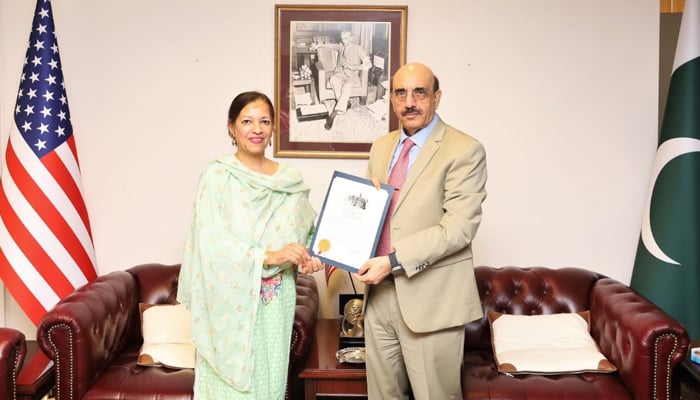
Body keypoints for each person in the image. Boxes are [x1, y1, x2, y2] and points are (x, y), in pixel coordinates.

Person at [177, 91, 324, 399]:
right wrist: (270, 255)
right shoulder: (217, 176)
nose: (257, 129)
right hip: (228, 302)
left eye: (264, 121)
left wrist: (308, 256)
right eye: (247, 121)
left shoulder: (289, 178)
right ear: (231, 127)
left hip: (276, 300)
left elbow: (306, 235)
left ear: (273, 129)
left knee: (268, 386)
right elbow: (212, 244)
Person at [356, 63, 488, 399]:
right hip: (379, 296)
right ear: (391, 99)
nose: (409, 101)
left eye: (420, 92)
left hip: (432, 300)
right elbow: (373, 215)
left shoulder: (464, 150)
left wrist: (394, 260)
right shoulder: (381, 147)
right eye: (401, 93)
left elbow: (459, 227)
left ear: (436, 98)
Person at [311, 30, 371, 130]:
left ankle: (334, 112)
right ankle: (345, 103)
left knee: (347, 87)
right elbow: (330, 45)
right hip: (340, 74)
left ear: (351, 38)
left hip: (352, 77)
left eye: (346, 38)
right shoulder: (341, 46)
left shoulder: (358, 49)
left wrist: (354, 67)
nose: (344, 41)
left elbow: (368, 64)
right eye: (342, 38)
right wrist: (318, 45)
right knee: (333, 79)